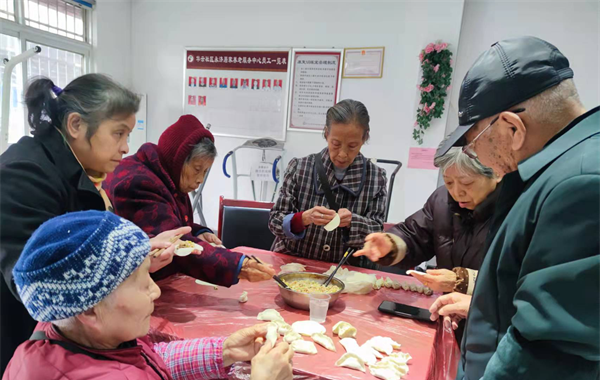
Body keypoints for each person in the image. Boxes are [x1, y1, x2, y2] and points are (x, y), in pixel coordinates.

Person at [0, 211, 294, 380]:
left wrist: (224, 351)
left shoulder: (56, 333)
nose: (155, 291)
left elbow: (139, 363)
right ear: (90, 308)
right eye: (142, 282)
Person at [433, 37, 600, 380]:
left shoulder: (582, 184)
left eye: (474, 140)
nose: (477, 154)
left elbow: (551, 352)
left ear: (512, 127)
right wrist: (486, 306)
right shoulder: (563, 166)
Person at [0, 74, 186, 376]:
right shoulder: (25, 175)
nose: (127, 147)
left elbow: (82, 251)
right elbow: (37, 286)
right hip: (31, 344)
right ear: (76, 125)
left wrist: (137, 255)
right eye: (118, 133)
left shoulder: (80, 171)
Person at [106, 114, 275, 286]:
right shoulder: (139, 183)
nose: (200, 179)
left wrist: (199, 232)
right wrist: (238, 265)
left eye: (205, 172)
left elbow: (173, 224)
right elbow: (174, 245)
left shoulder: (169, 176)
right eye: (197, 169)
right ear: (177, 160)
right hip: (129, 286)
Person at [355, 147, 500, 334]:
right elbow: (415, 234)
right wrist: (392, 244)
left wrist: (461, 281)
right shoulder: (442, 200)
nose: (457, 193)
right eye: (449, 182)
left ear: (496, 174)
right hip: (449, 315)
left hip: (490, 327)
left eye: (467, 183)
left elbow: (513, 280)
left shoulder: (514, 211)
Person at [269, 99, 387, 264]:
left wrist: (353, 222)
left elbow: (377, 232)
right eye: (336, 144)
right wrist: (303, 218)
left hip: (344, 272)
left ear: (364, 137)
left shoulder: (376, 178)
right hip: (294, 266)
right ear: (326, 133)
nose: (343, 154)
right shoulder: (300, 168)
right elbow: (275, 220)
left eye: (352, 146)